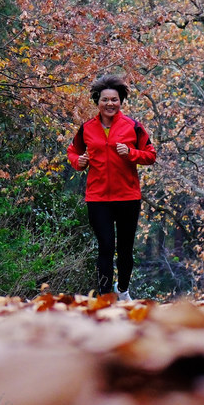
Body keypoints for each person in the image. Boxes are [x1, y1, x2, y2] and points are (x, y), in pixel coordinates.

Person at [67, 75, 156, 300]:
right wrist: (80, 162)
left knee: (125, 248)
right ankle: (105, 296)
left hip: (127, 196)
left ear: (121, 101)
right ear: (97, 101)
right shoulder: (87, 128)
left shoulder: (133, 127)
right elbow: (73, 151)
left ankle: (123, 291)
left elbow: (151, 155)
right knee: (105, 246)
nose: (110, 104)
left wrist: (131, 153)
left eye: (114, 99)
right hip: (98, 199)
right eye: (105, 99)